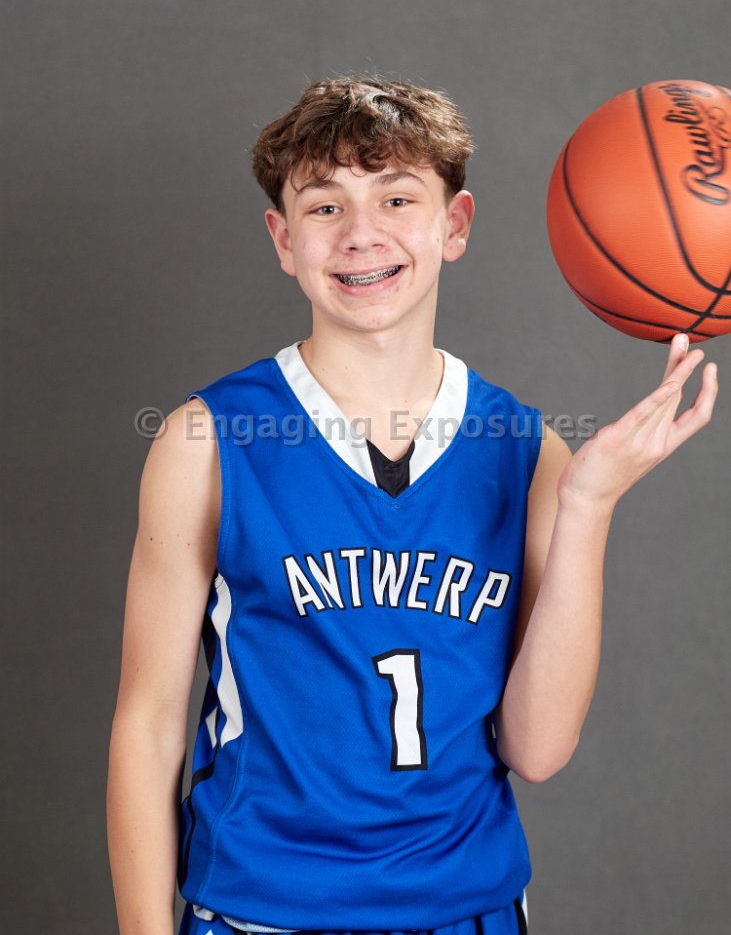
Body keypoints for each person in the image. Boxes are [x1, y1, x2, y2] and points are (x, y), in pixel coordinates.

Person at [107, 76, 718, 935]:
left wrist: (587, 506)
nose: (361, 234)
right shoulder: (207, 440)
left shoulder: (527, 450)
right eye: (324, 207)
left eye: (396, 199)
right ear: (283, 239)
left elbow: (537, 749)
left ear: (453, 225)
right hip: (262, 910)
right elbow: (147, 727)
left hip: (468, 909)